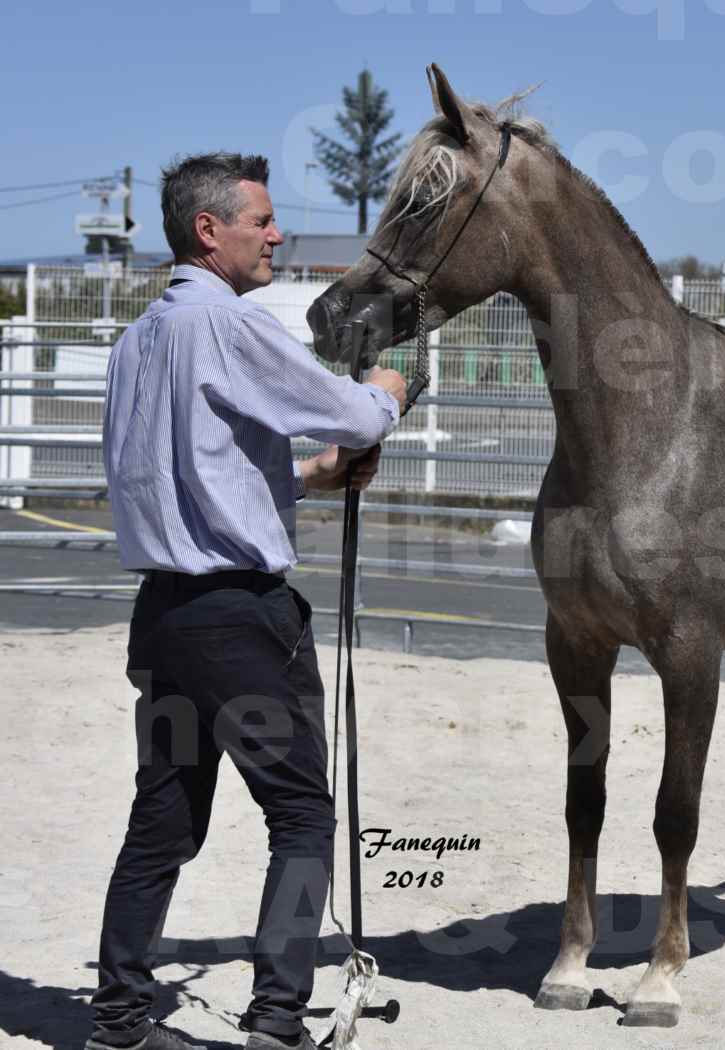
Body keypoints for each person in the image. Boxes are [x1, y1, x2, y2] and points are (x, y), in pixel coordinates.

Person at [87, 152, 406, 1050]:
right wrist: (386, 395)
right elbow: (349, 411)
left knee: (163, 821)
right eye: (261, 220)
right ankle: (276, 1022)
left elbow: (195, 478)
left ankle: (116, 1018)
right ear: (208, 230)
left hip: (166, 618)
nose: (274, 234)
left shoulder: (134, 343)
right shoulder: (225, 326)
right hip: (240, 621)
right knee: (303, 815)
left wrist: (306, 477)